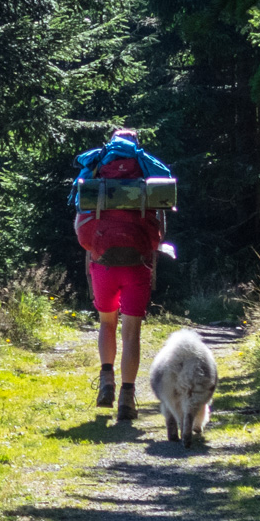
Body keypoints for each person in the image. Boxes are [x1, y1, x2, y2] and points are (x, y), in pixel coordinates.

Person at [74, 128, 169, 421]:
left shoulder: (96, 171)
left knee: (106, 323)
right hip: (137, 263)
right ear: (136, 145)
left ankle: (106, 380)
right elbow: (160, 230)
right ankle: (127, 397)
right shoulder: (148, 173)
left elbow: (80, 224)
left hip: (102, 262)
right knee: (132, 332)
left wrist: (94, 248)